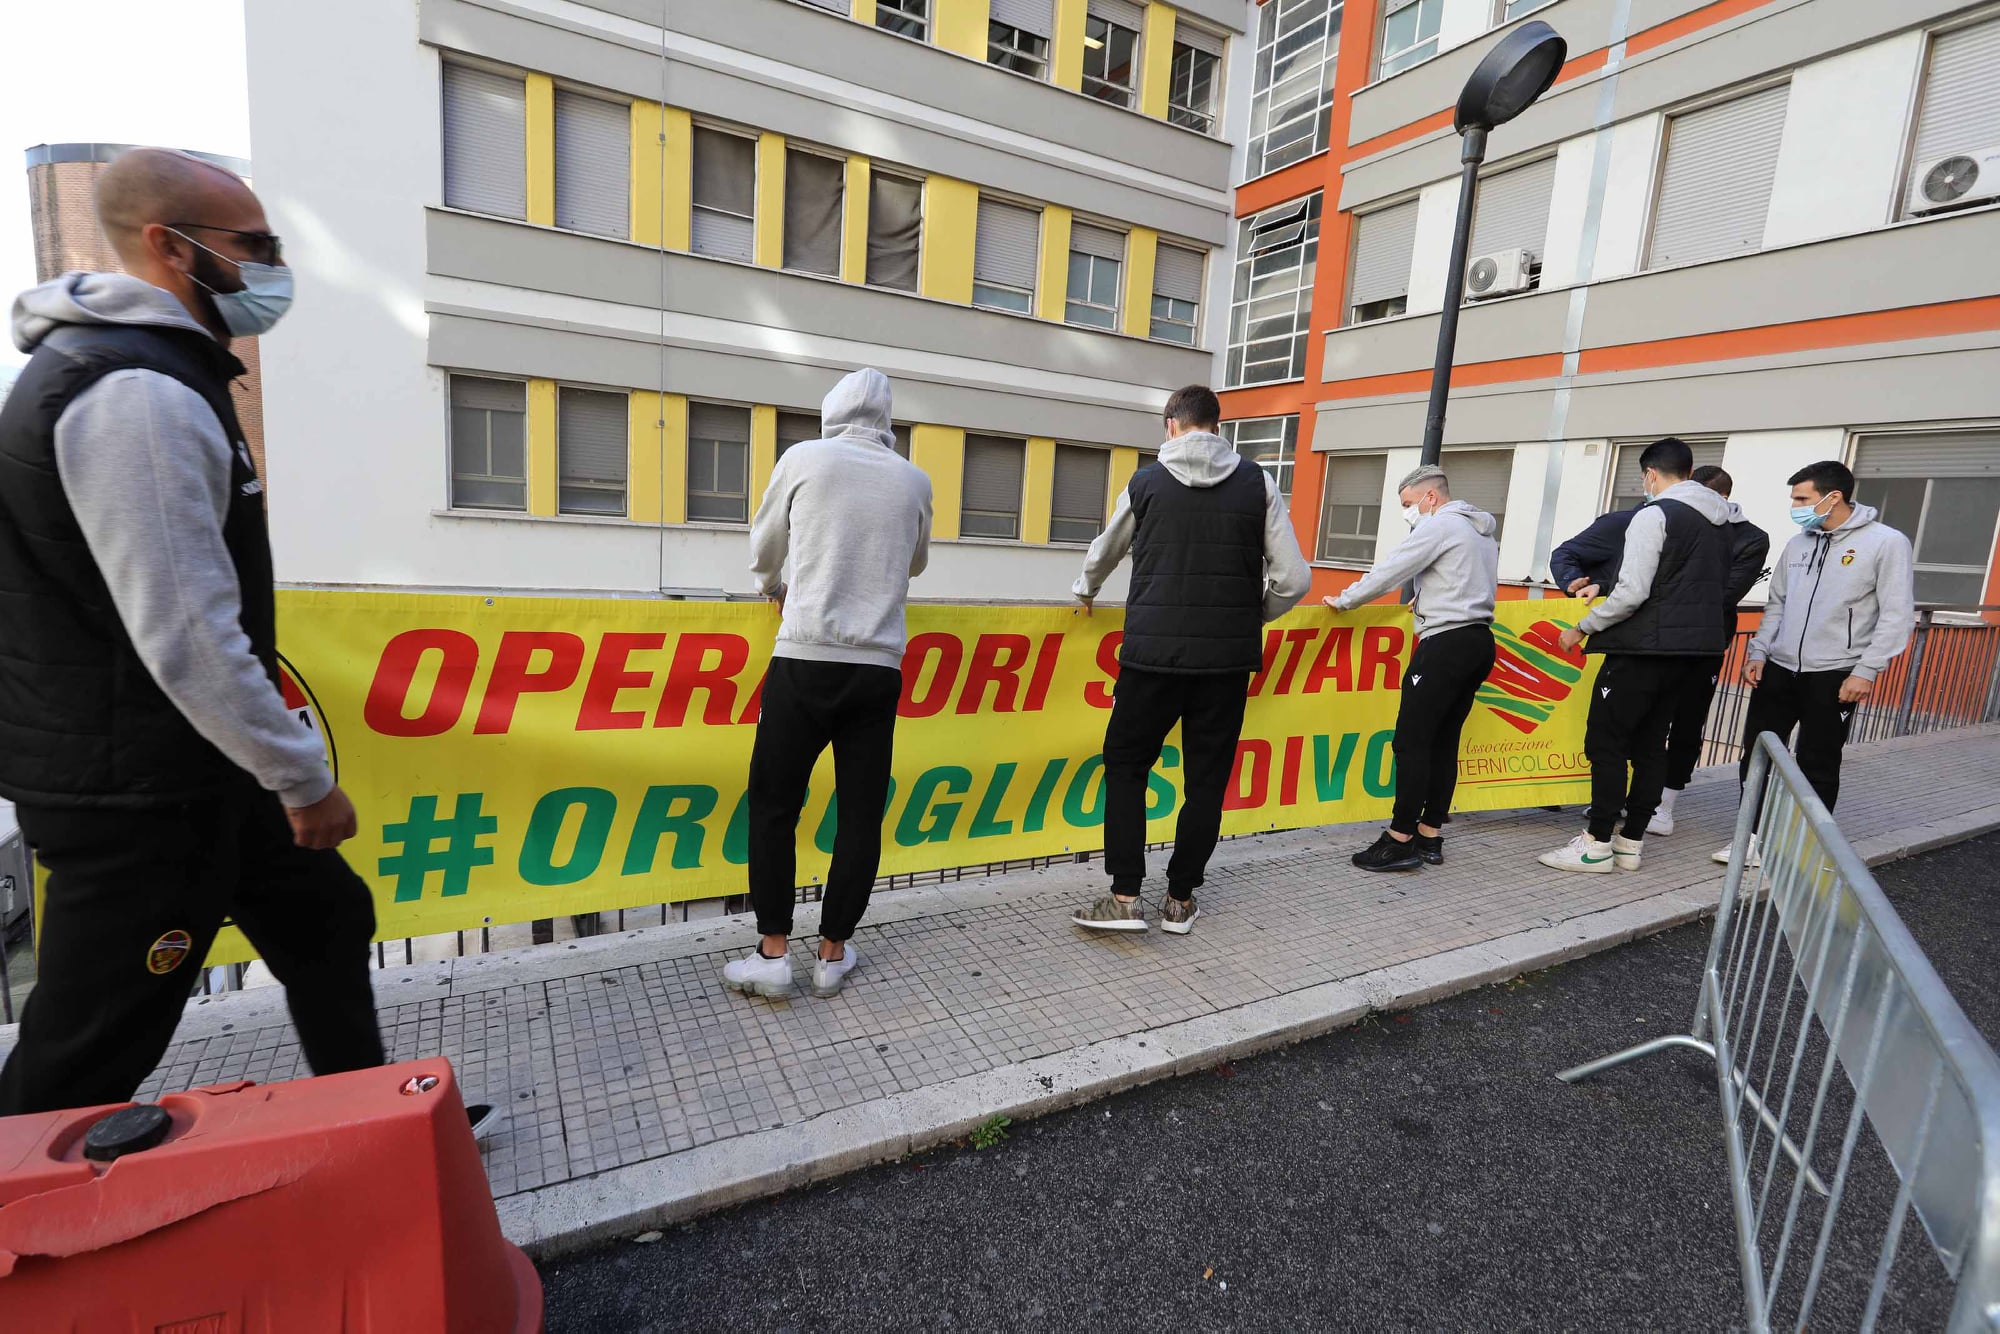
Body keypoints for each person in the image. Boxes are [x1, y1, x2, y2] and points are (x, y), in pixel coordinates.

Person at [0, 149, 384, 1115]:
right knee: (92, 1040)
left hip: (195, 760)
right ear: (172, 246)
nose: (271, 266)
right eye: (253, 245)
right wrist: (301, 775)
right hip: (141, 788)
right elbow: (186, 631)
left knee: (327, 918)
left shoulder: (162, 370)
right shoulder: (138, 394)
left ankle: (374, 1118)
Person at [1066, 385, 1311, 933]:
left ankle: (1125, 897)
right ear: (1216, 426)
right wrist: (1254, 617)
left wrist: (1085, 589)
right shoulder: (1258, 482)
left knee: (1127, 768)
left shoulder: (1147, 481)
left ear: (1172, 425)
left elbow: (1107, 548)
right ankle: (1180, 900)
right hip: (1225, 667)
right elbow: (1295, 579)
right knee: (1205, 781)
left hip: (1150, 658)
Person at [724, 368, 932, 999]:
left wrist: (770, 588)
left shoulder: (804, 458)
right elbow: (916, 562)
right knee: (860, 814)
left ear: (831, 412)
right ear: (886, 422)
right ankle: (833, 953)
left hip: (805, 657)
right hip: (878, 668)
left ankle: (772, 954)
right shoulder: (913, 480)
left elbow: (766, 543)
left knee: (774, 806)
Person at [1539, 437, 1735, 875]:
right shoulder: (1721, 522)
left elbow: (1633, 593)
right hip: (1691, 652)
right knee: (1651, 745)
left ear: (1650, 474)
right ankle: (1630, 844)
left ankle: (1596, 843)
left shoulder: (1656, 515)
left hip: (1641, 649)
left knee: (1605, 744)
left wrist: (1581, 627)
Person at [1712, 460, 1913, 866]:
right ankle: (1751, 837)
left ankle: (1805, 843)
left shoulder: (1885, 543)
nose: (1795, 505)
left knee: (1818, 760)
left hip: (1836, 672)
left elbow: (1897, 613)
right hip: (1779, 669)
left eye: (1802, 498)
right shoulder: (1798, 543)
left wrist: (1866, 669)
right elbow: (1777, 604)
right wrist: (1759, 651)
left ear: (1832, 497)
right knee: (1757, 754)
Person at [1552, 465, 1769, 835]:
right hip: (1669, 643)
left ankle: (1602, 838)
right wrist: (1601, 585)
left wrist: (1583, 627)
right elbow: (1639, 574)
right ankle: (1631, 835)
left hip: (1662, 646)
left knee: (1619, 739)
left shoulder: (1702, 526)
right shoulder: (1659, 520)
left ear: (1653, 475)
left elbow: (1642, 589)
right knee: (1648, 738)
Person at [1323, 464, 1498, 872]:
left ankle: (1399, 840)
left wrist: (1346, 600)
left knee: (1411, 742)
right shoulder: (1481, 530)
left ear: (1430, 497)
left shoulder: (1440, 526)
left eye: (1408, 504)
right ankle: (1429, 836)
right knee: (1444, 742)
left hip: (1444, 646)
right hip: (1478, 642)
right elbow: (1461, 582)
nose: (1408, 513)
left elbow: (1390, 570)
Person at [1651, 467, 1768, 835]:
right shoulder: (1667, 518)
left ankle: (1665, 805)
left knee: (1688, 719)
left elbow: (1724, 593)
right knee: (1646, 716)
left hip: (1705, 642)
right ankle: (1635, 795)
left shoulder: (1749, 538)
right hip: (1655, 637)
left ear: (1721, 498)